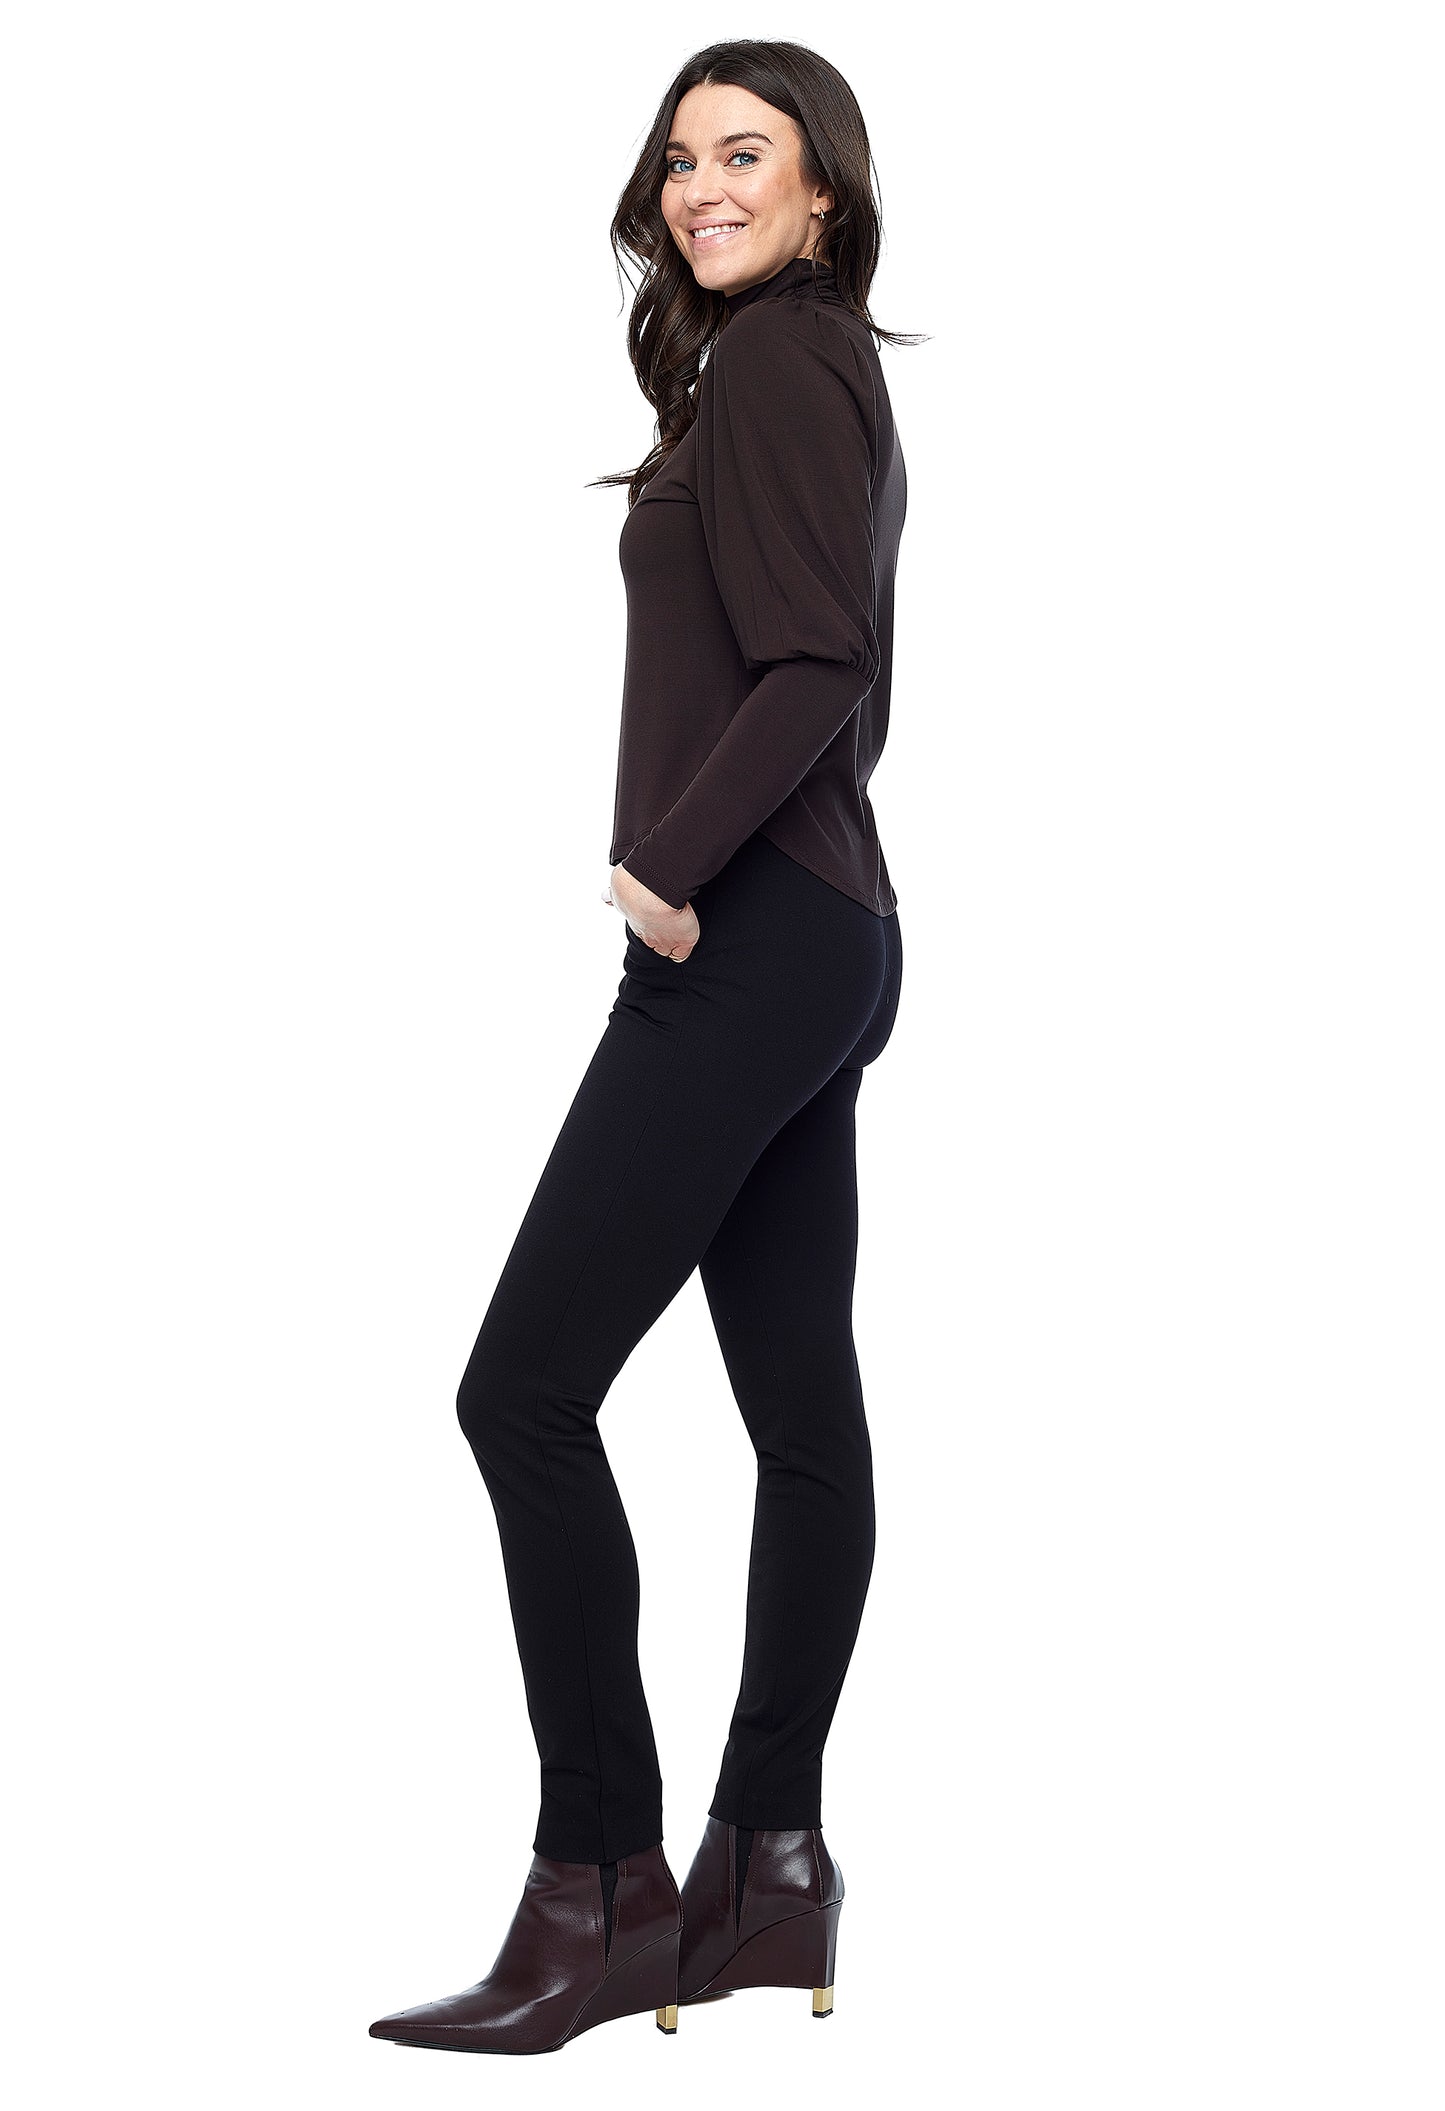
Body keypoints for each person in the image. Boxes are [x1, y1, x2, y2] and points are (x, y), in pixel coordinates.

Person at [370, 39, 920, 2056]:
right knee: (797, 1412)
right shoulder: (800, 366)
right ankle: (767, 1872)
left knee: (520, 1392)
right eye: (680, 156)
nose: (702, 186)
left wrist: (663, 864)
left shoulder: (779, 359)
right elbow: (842, 660)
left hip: (753, 932)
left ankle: (598, 1890)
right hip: (825, 928)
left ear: (823, 188)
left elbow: (820, 659)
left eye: (745, 153)